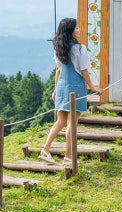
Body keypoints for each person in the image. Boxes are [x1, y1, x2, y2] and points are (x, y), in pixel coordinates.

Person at [39, 17, 102, 165]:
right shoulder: (80, 49)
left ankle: (45, 150)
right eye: (77, 28)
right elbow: (84, 70)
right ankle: (68, 157)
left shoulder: (59, 48)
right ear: (70, 31)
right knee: (71, 123)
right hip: (75, 88)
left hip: (61, 87)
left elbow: (58, 70)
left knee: (60, 121)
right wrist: (92, 87)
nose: (79, 30)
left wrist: (55, 90)